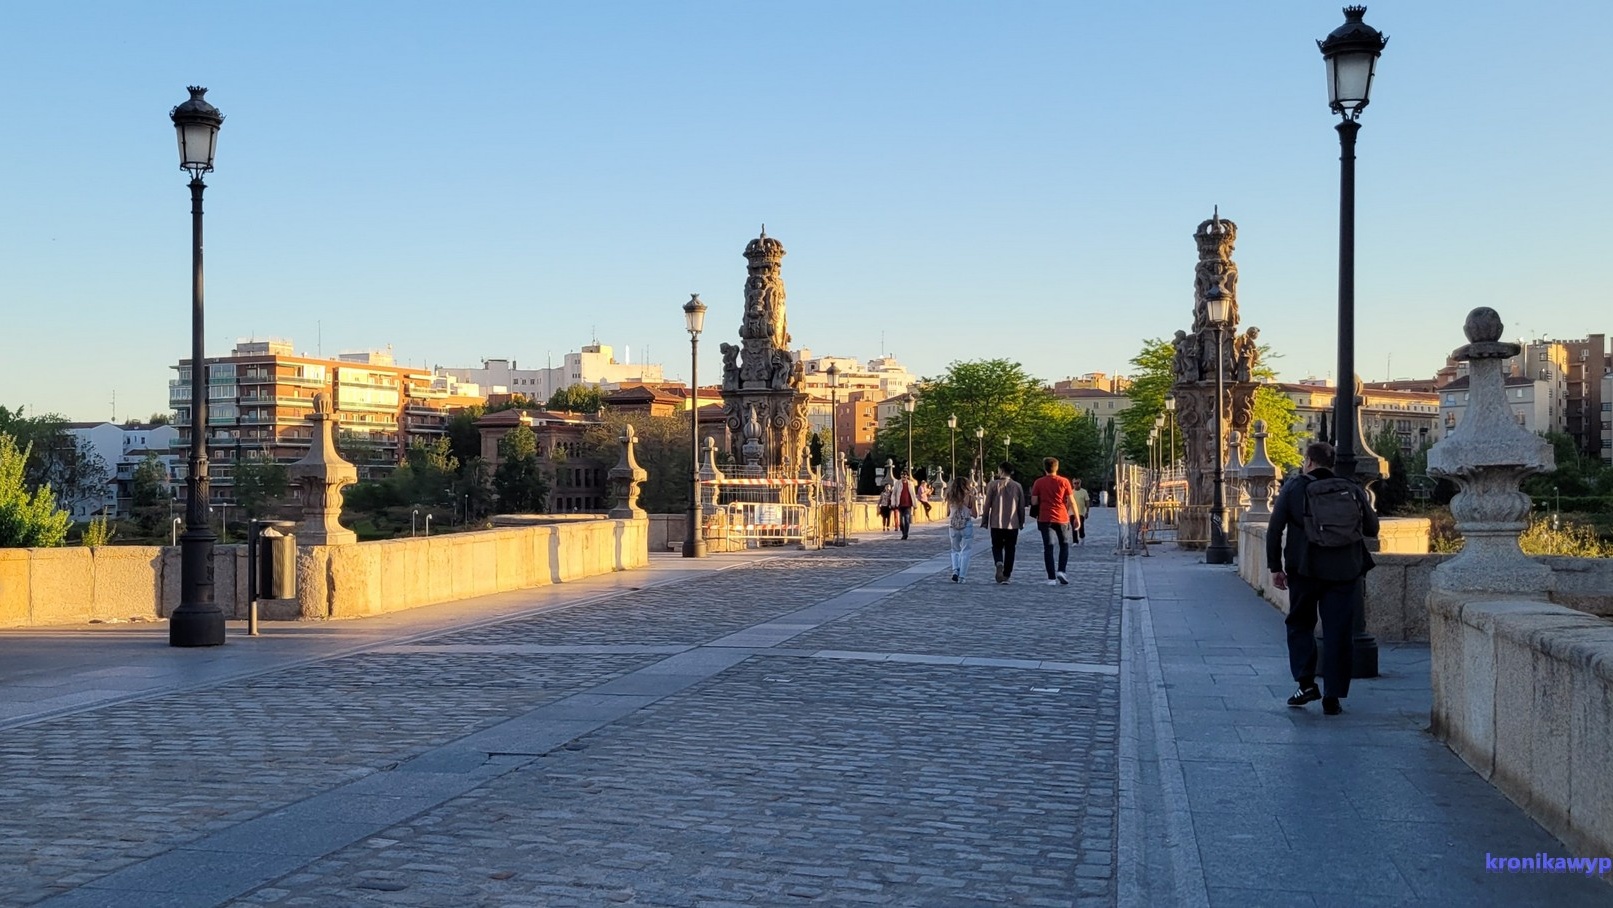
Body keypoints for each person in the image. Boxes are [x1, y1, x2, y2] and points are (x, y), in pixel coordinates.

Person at [1267, 441, 1380, 716]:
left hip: (1304, 568)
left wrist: (1275, 567)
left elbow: (1274, 529)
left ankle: (1306, 684)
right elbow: (1372, 527)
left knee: (1300, 624)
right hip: (1344, 570)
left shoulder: (1294, 487)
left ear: (1309, 461)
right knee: (1338, 632)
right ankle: (1333, 696)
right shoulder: (1351, 487)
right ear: (1331, 463)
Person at [1029, 456, 1078, 585]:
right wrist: (1077, 518)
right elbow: (1072, 501)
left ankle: (1051, 578)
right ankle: (1061, 570)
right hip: (1062, 517)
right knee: (1064, 544)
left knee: (1048, 547)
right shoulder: (1064, 481)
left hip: (1045, 517)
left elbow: (1034, 501)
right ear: (1057, 467)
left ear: (1044, 468)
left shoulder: (1038, 482)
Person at [980, 461, 1026, 583]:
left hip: (996, 523)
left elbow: (987, 504)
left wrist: (984, 520)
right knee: (1010, 548)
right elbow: (1021, 506)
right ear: (1011, 472)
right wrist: (1021, 521)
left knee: (996, 546)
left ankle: (999, 563)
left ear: (1000, 471)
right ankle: (1006, 574)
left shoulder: (992, 485)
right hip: (1012, 523)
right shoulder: (1017, 486)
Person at [944, 476, 979, 582]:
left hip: (953, 525)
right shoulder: (970, 497)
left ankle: (955, 570)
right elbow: (975, 514)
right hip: (966, 524)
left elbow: (947, 513)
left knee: (954, 550)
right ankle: (962, 576)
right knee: (966, 550)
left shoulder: (950, 496)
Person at [893, 469, 918, 540]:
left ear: (907, 476)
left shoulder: (910, 484)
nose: (903, 476)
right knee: (901, 521)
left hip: (908, 504)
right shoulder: (897, 483)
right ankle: (903, 532)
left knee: (907, 519)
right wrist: (893, 503)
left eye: (905, 475)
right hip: (900, 504)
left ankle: (905, 534)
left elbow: (913, 494)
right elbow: (894, 494)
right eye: (902, 474)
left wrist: (915, 504)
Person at [1070, 478, 1091, 544]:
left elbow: (1087, 502)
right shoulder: (1071, 492)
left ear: (1080, 483)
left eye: (1078, 483)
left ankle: (1082, 536)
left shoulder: (1084, 492)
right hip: (1072, 512)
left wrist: (1087, 511)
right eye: (1075, 483)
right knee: (1074, 526)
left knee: (1080, 526)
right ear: (1073, 484)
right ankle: (1075, 541)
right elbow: (1068, 502)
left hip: (1081, 512)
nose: (1076, 484)